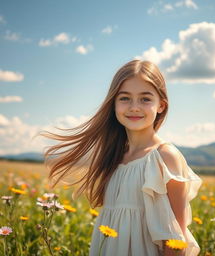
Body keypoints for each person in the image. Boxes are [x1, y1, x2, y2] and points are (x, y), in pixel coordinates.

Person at [39, 59, 202, 256]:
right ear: (114, 104)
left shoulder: (165, 157)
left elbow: (177, 238)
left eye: (145, 99)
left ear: (161, 105)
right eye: (125, 98)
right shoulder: (114, 156)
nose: (134, 107)